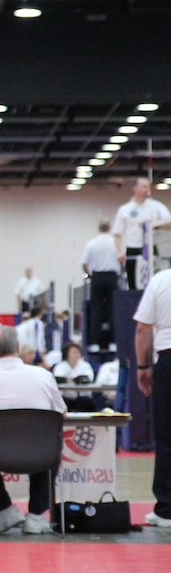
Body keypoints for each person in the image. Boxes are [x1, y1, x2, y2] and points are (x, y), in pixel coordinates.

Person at [0, 326, 67, 536]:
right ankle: (37, 516)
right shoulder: (44, 376)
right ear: (18, 347)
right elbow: (61, 411)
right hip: (40, 454)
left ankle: (5, 510)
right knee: (48, 444)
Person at [133, 267, 171, 527]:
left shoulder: (161, 280)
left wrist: (143, 367)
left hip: (169, 360)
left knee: (167, 435)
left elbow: (143, 329)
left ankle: (167, 509)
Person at [113, 176, 170, 290]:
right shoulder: (125, 209)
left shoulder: (156, 206)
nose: (147, 189)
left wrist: (154, 226)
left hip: (151, 247)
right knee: (133, 284)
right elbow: (117, 234)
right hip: (133, 249)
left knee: (154, 281)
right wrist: (120, 251)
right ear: (135, 189)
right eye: (144, 187)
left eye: (148, 186)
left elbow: (169, 223)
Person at [81, 220, 121, 351]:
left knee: (96, 309)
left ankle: (94, 343)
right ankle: (114, 342)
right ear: (109, 228)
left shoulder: (91, 244)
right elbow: (122, 260)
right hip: (112, 277)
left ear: (98, 228)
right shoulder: (115, 243)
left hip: (97, 277)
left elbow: (84, 264)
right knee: (113, 309)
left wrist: (90, 276)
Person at [52, 342, 96, 411]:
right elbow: (57, 379)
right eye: (74, 352)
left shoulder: (85, 365)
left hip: (83, 398)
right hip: (66, 398)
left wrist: (70, 379)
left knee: (87, 403)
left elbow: (88, 378)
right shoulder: (60, 366)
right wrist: (73, 379)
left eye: (78, 352)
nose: (77, 354)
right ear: (67, 354)